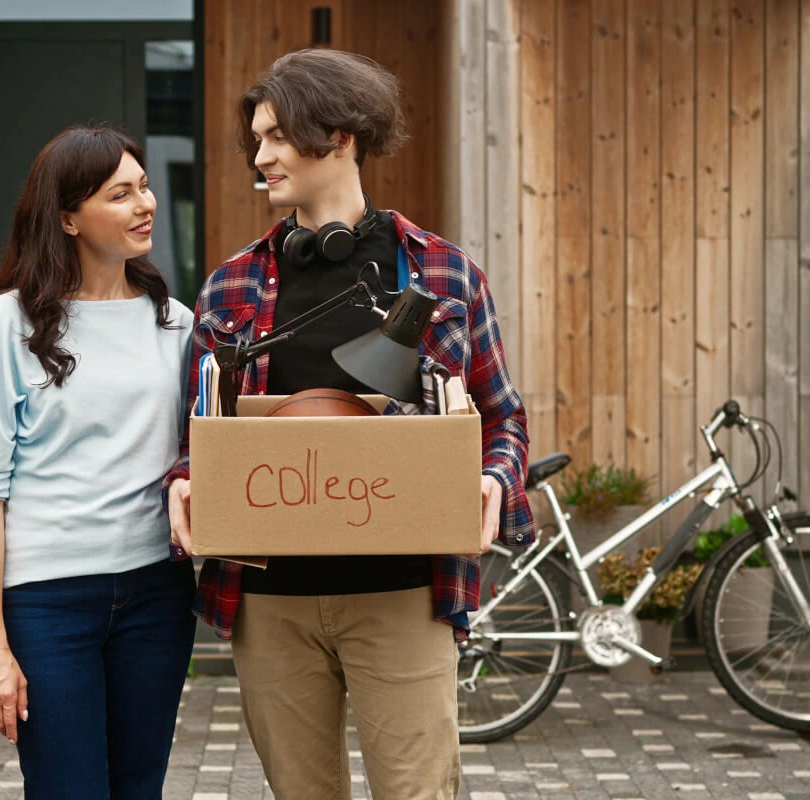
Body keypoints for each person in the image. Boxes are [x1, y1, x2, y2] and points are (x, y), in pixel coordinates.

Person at [165, 50, 534, 799]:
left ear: (341, 136)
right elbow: (196, 435)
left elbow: (502, 419)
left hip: (403, 595)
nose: (260, 157)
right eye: (256, 140)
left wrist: (495, 477)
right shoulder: (231, 285)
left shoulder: (442, 275)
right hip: (269, 604)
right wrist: (184, 482)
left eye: (277, 137)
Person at [0, 125, 196, 799]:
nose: (145, 204)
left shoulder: (173, 321)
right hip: (48, 601)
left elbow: (197, 453)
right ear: (67, 217)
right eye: (121, 194)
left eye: (143, 187)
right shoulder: (9, 324)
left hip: (156, 594)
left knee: (137, 787)